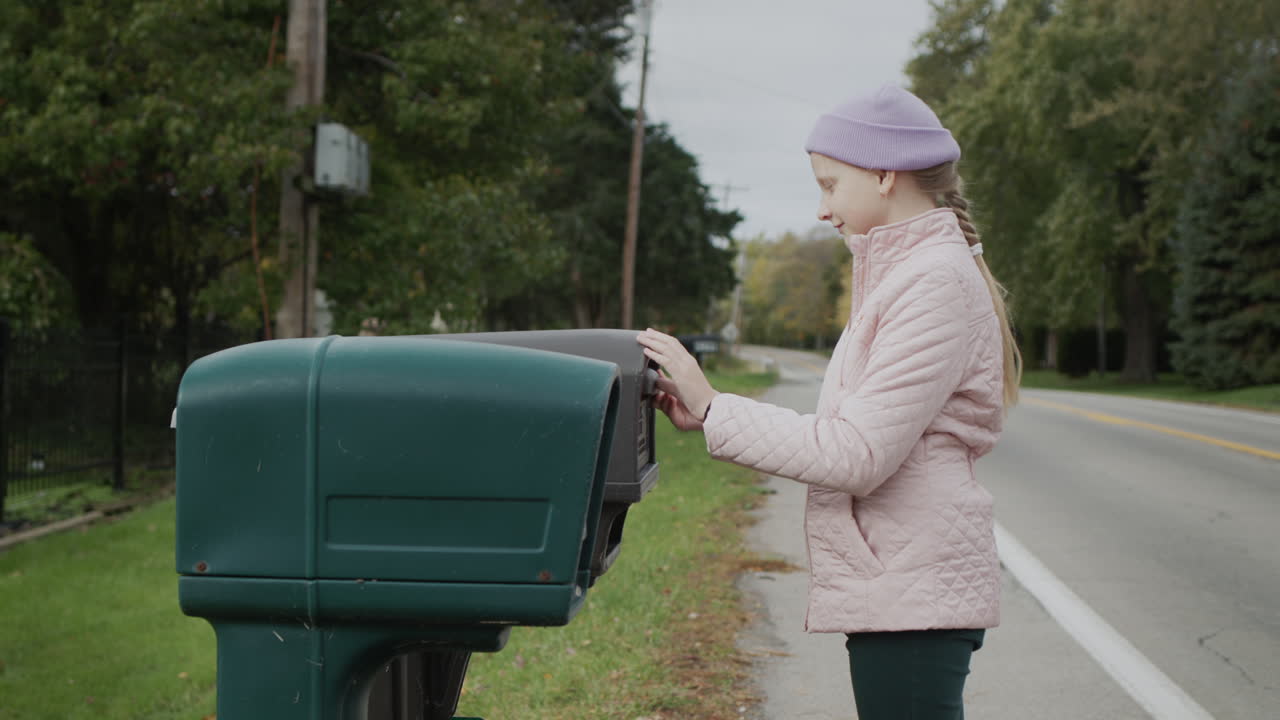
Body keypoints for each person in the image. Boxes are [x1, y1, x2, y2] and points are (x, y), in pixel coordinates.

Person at [636, 83, 1022, 720]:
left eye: (830, 184)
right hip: (902, 584)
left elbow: (857, 454)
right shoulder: (905, 276)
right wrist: (716, 407)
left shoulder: (933, 283)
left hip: (914, 590)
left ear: (883, 173)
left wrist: (715, 407)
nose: (821, 208)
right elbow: (848, 433)